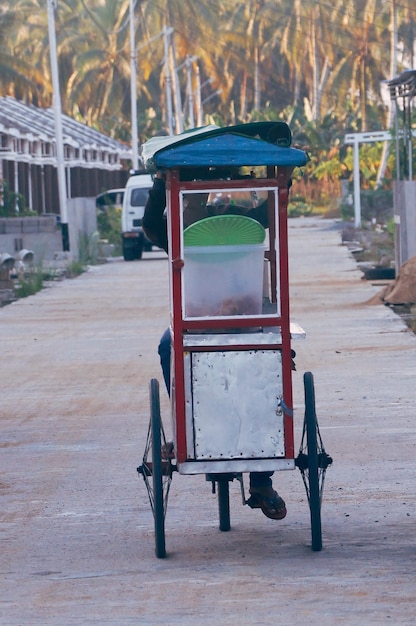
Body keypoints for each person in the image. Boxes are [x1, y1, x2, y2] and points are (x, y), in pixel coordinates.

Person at [143, 170, 287, 520]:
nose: (193, 203)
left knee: (262, 369)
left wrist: (283, 181)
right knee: (167, 346)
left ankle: (261, 479)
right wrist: (160, 185)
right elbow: (150, 225)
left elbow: (270, 212)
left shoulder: (240, 228)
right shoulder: (178, 234)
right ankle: (184, 426)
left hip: (247, 321)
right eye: (187, 196)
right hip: (193, 324)